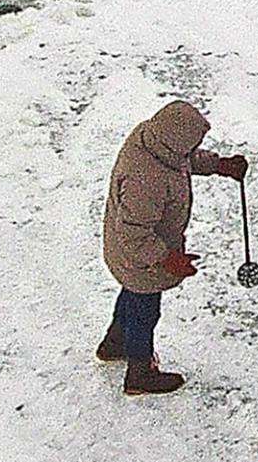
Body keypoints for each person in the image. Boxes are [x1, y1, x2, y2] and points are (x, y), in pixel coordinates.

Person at [99, 100, 247, 395]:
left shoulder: (153, 141)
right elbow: (134, 233)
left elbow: (185, 159)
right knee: (144, 311)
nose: (195, 148)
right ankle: (140, 373)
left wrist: (218, 165)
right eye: (193, 143)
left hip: (132, 256)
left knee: (132, 296)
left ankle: (114, 344)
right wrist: (167, 259)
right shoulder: (146, 180)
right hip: (139, 257)